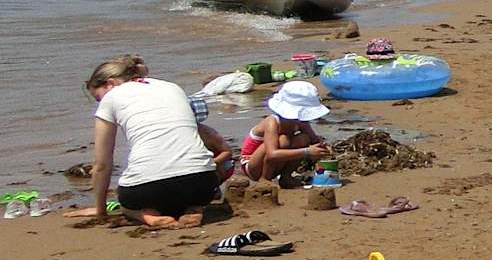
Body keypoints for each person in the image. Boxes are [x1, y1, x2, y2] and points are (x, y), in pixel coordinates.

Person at [58, 57, 226, 227]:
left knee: (127, 204)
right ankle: (194, 208)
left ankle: (149, 216)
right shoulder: (172, 87)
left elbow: (102, 164)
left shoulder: (112, 97)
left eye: (98, 98)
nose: (100, 102)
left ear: (111, 83)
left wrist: (100, 209)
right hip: (202, 184)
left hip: (146, 190)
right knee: (188, 187)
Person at [238, 80, 332, 184]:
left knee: (303, 138)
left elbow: (314, 140)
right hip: (253, 165)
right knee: (283, 140)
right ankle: (265, 179)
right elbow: (272, 154)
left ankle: (286, 176)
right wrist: (307, 151)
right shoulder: (272, 122)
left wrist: (323, 147)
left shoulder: (300, 122)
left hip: (277, 163)